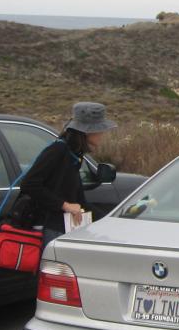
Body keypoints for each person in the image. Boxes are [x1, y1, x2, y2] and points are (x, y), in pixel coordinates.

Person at [20, 102, 117, 248]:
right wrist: (65, 205)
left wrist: (108, 221)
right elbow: (29, 184)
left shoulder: (75, 155)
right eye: (100, 130)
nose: (103, 134)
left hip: (65, 229)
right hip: (51, 229)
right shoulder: (58, 150)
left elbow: (78, 202)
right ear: (87, 132)